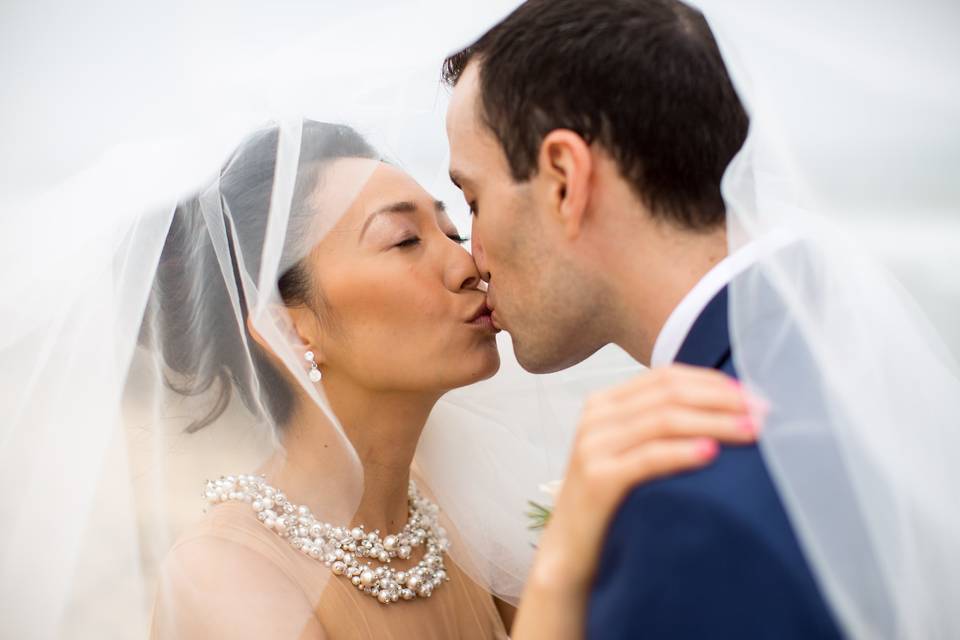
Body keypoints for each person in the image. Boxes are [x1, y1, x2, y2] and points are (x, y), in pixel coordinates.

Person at [147, 120, 760, 639]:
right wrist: (565, 556)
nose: (467, 265)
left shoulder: (456, 510)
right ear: (291, 327)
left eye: (453, 229)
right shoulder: (222, 577)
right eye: (406, 240)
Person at [442, 1, 843, 637]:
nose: (472, 257)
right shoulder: (839, 352)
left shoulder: (685, 504)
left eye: (473, 201)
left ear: (565, 181)